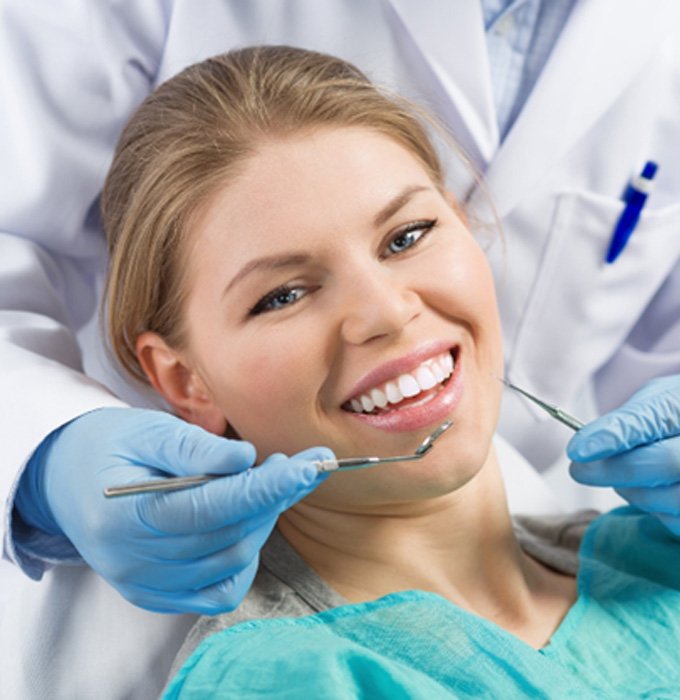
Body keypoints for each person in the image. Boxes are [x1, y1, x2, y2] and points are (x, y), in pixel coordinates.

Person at [1, 0, 680, 655]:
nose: (389, 312)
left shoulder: (646, 585)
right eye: (283, 294)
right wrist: (47, 456)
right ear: (184, 379)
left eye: (409, 234)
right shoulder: (288, 674)